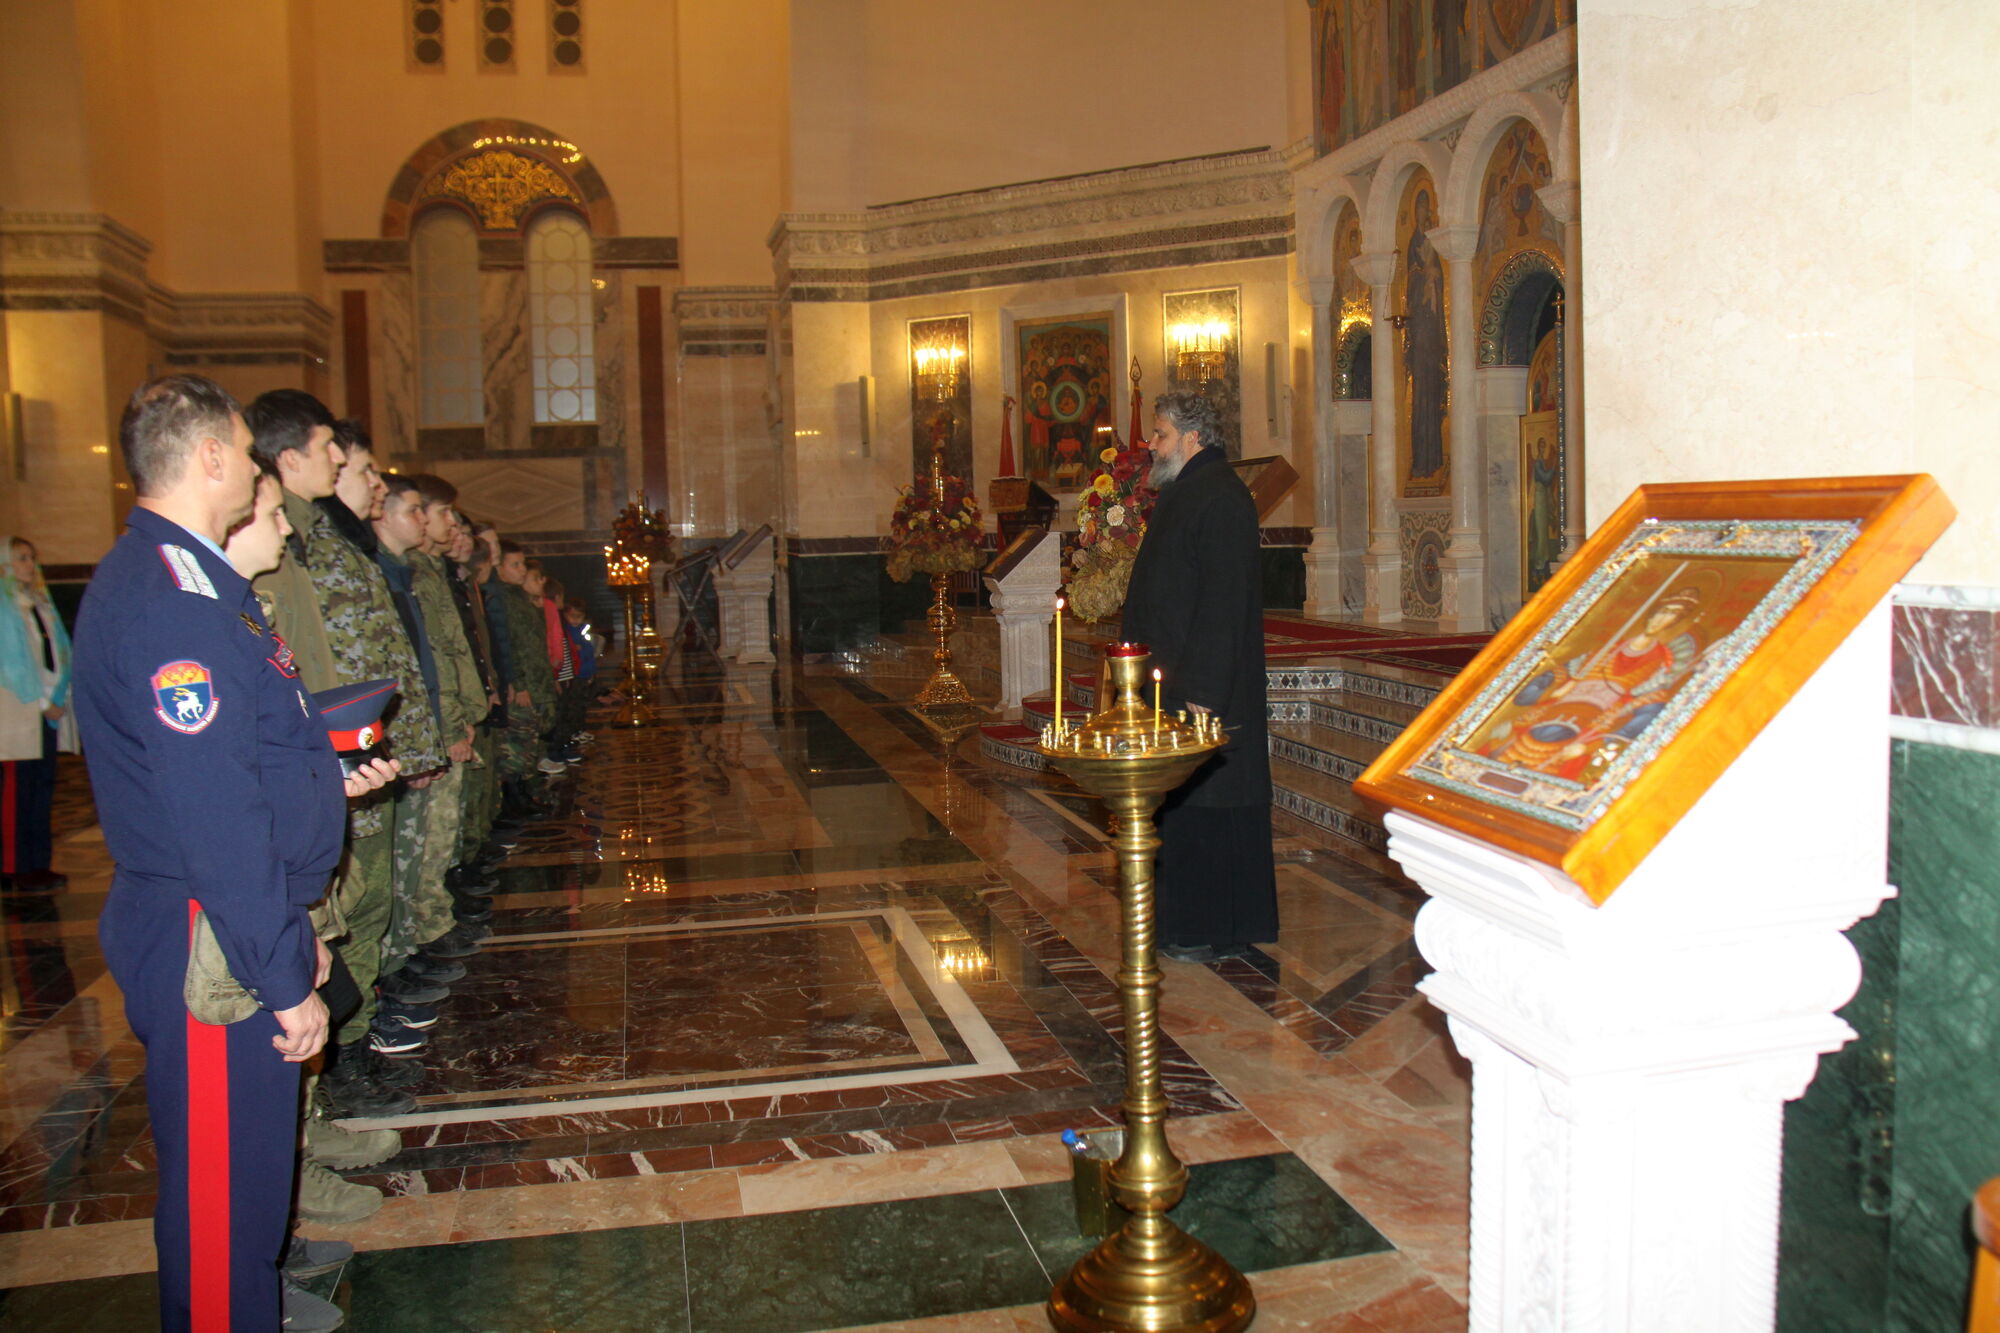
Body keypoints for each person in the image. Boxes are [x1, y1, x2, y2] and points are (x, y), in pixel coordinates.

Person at [71, 374, 395, 1332]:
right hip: (207, 930)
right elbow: (213, 817)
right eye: (250, 454)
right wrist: (281, 972)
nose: (259, 473)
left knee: (245, 1172)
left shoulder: (193, 583)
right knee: (220, 1189)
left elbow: (249, 761)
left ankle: (252, 1296)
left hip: (233, 917)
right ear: (210, 456)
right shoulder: (173, 604)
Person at [1119, 389, 1278, 963]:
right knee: (1184, 809)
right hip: (1174, 680)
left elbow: (1223, 602)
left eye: (1159, 434)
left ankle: (1210, 929)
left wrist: (1205, 693)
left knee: (1211, 810)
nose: (1150, 443)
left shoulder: (1222, 497)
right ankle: (1183, 925)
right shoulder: (1187, 490)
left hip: (1202, 689)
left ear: (1192, 438)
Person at [1, 536, 76, 888]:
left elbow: (57, 653)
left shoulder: (39, 603)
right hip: (19, 709)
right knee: (16, 792)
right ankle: (13, 867)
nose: (29, 565)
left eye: (31, 557)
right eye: (20, 558)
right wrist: (45, 702)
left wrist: (59, 696)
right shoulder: (5, 608)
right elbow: (14, 665)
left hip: (46, 707)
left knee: (41, 787)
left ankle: (38, 862)